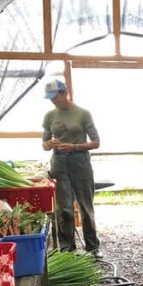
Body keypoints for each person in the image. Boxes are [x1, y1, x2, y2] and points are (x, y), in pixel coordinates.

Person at [41, 78, 100, 253]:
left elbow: (96, 142)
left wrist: (74, 147)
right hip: (59, 163)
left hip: (80, 162)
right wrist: (50, 144)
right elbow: (44, 144)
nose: (53, 100)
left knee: (85, 205)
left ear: (64, 93)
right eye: (50, 98)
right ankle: (67, 247)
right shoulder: (49, 116)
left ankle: (92, 246)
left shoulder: (83, 114)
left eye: (55, 96)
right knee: (63, 207)